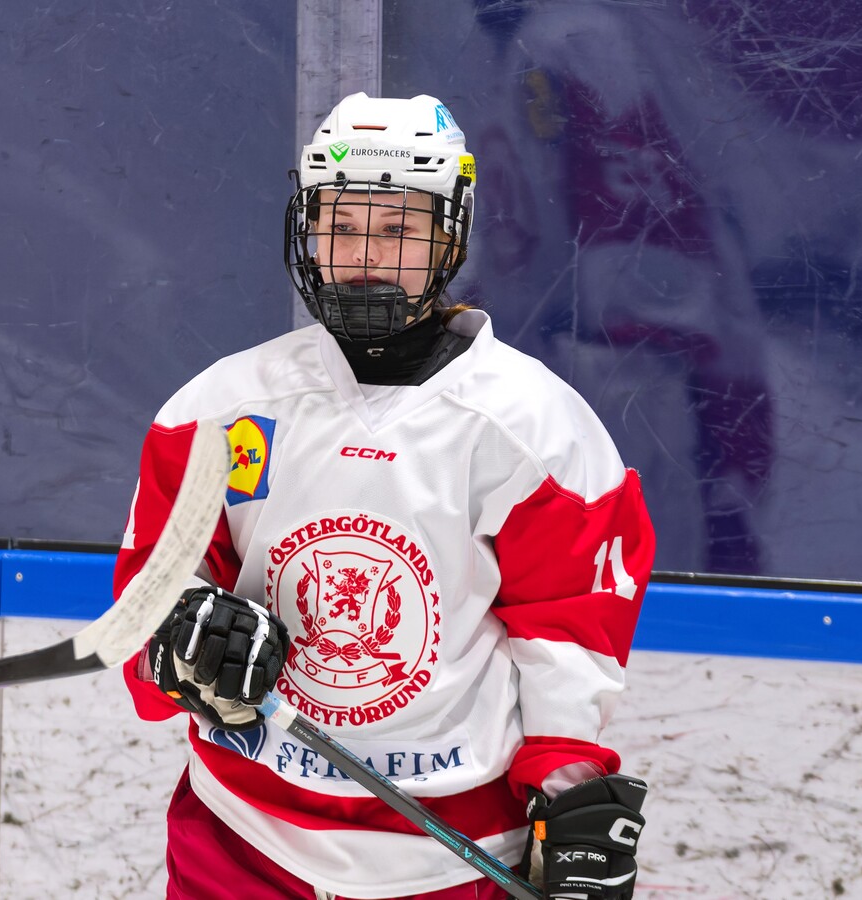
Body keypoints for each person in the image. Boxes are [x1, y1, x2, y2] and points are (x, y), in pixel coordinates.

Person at [115, 93, 656, 900]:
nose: (364, 253)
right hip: (242, 837)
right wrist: (183, 638)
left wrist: (569, 791)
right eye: (340, 225)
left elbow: (569, 632)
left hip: (449, 856)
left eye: (398, 229)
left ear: (451, 237)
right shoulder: (220, 409)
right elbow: (152, 600)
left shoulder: (534, 429)